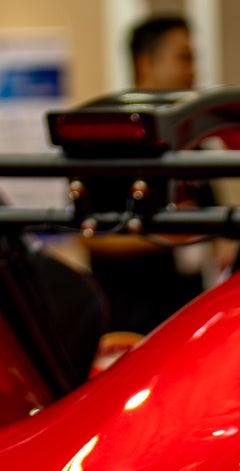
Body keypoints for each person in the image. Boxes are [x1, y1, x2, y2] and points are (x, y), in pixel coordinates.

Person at [88, 14, 207, 335]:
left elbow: (207, 216)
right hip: (128, 322)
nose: (193, 71)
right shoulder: (107, 137)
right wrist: (163, 235)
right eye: (184, 58)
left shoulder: (192, 137)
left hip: (188, 315)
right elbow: (89, 237)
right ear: (146, 64)